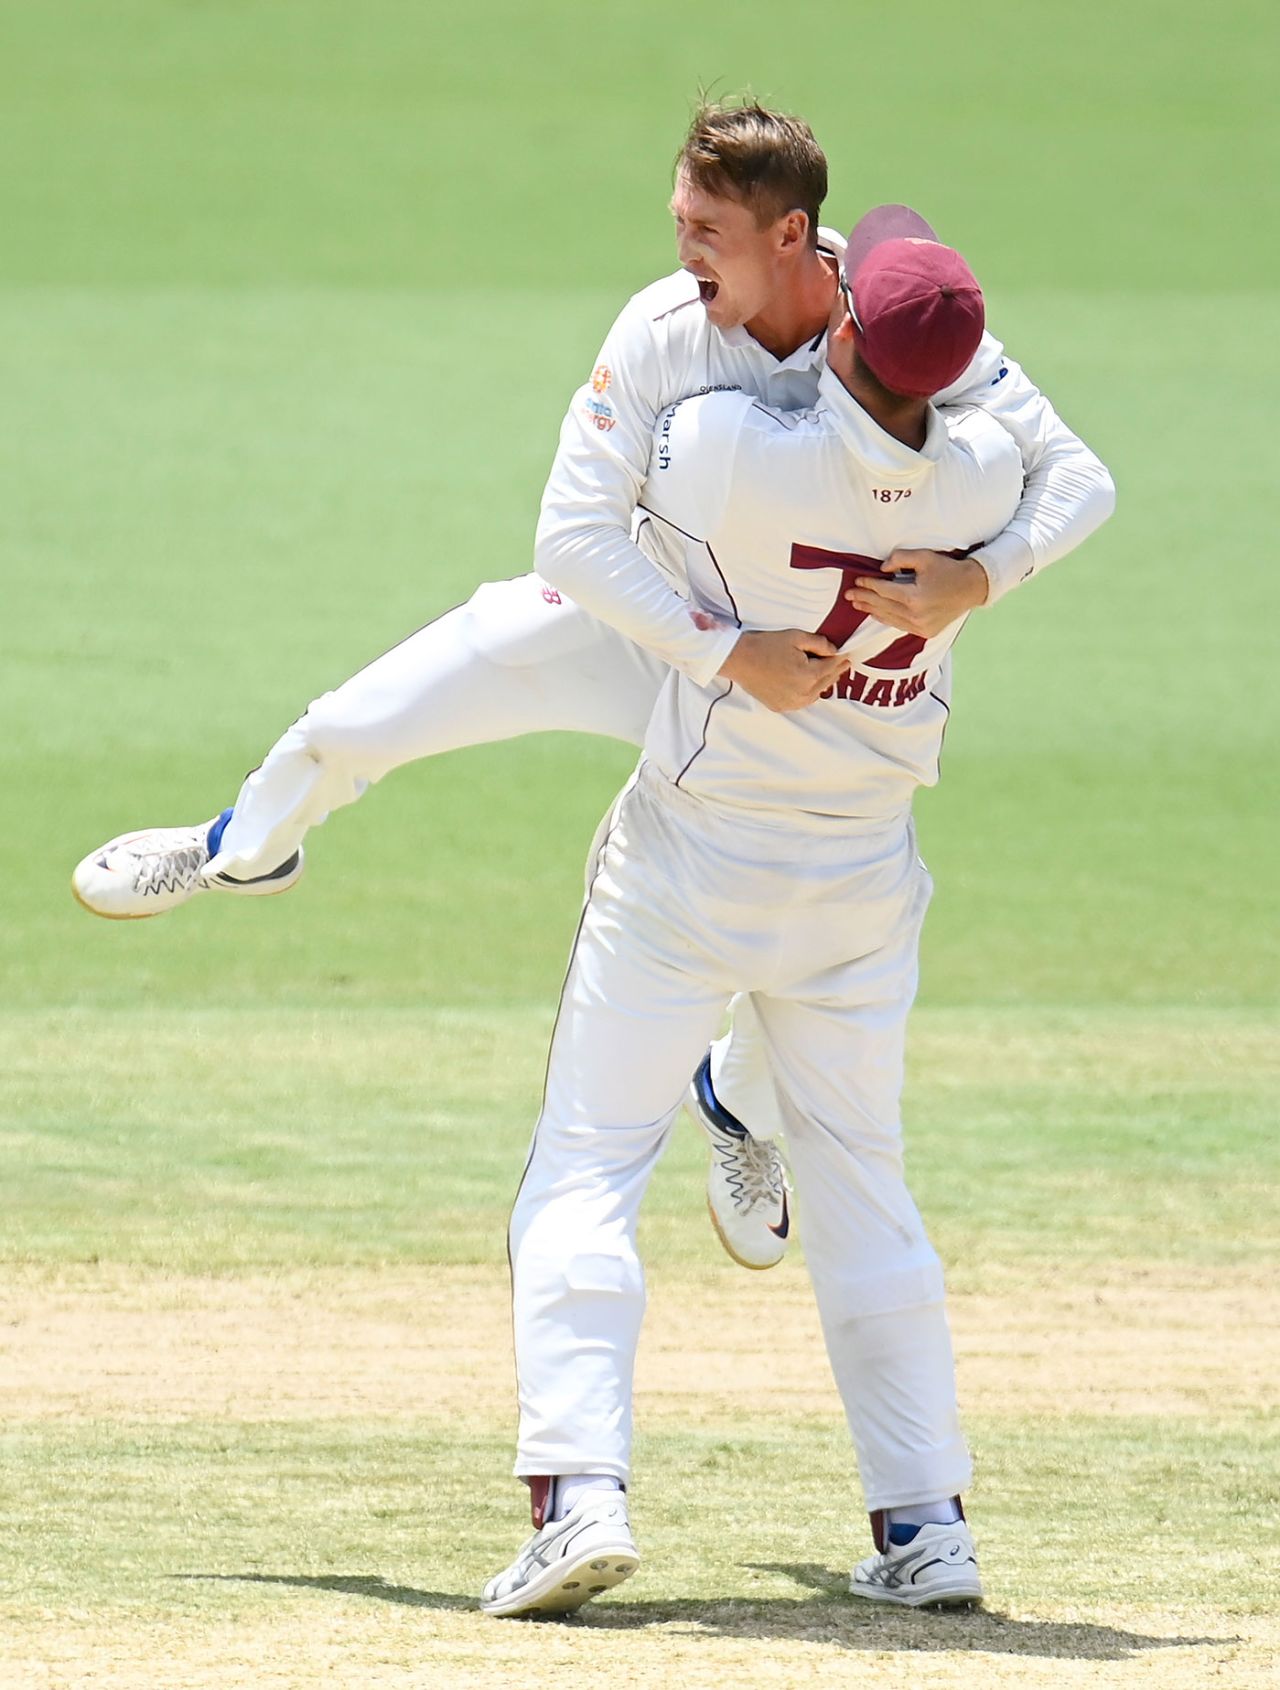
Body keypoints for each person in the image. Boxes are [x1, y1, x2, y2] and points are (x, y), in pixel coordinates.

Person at [69, 101, 1115, 1276]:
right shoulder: (663, 327)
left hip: (814, 670)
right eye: (677, 219)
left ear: (792, 237)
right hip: (652, 625)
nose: (681, 250)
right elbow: (572, 539)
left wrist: (979, 579)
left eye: (706, 228)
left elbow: (1078, 475)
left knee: (823, 883)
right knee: (358, 718)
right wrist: (718, 652)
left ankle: (738, 1111)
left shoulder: (899, 316)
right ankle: (238, 845)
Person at [483, 215, 1095, 1619]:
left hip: (697, 859)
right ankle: (931, 1526)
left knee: (584, 1163)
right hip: (861, 883)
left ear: (843, 331)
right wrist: (981, 572)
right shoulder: (993, 473)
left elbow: (586, 543)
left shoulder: (722, 451)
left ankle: (578, 1494)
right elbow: (1079, 476)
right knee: (864, 1188)